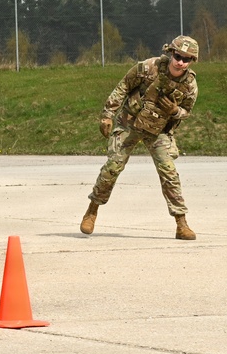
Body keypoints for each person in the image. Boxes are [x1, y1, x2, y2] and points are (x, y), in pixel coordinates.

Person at [80, 35, 199, 239]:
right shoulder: (148, 68)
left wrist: (174, 111)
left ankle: (181, 223)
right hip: (130, 122)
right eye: (178, 56)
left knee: (169, 173)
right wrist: (108, 115)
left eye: (186, 59)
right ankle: (92, 211)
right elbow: (123, 86)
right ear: (171, 53)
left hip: (158, 129)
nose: (180, 62)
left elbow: (186, 111)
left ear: (191, 62)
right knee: (113, 166)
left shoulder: (189, 85)